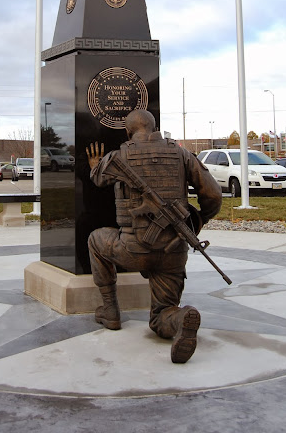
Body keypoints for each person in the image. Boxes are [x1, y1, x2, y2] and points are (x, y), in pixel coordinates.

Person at [86, 109, 222, 363]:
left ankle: (111, 311)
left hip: (133, 249)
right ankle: (180, 318)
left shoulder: (119, 156)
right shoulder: (181, 154)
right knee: (161, 316)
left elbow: (98, 179)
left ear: (127, 131)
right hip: (174, 252)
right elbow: (213, 196)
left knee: (96, 239)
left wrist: (95, 165)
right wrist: (195, 222)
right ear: (154, 126)